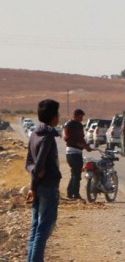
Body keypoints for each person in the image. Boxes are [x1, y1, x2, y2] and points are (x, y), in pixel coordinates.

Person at [25, 99, 62, 262]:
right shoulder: (47, 137)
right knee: (43, 228)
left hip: (38, 186)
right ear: (53, 116)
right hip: (47, 187)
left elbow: (29, 164)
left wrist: (34, 179)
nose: (59, 117)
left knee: (35, 228)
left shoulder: (34, 134)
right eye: (58, 114)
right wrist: (35, 179)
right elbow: (38, 165)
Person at [63, 109, 92, 200]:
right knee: (76, 174)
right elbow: (68, 139)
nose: (81, 119)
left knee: (75, 173)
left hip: (78, 152)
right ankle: (75, 194)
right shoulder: (70, 125)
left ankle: (70, 193)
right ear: (75, 116)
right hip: (72, 152)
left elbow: (81, 138)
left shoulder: (79, 126)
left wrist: (86, 145)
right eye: (80, 117)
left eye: (82, 117)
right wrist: (81, 145)